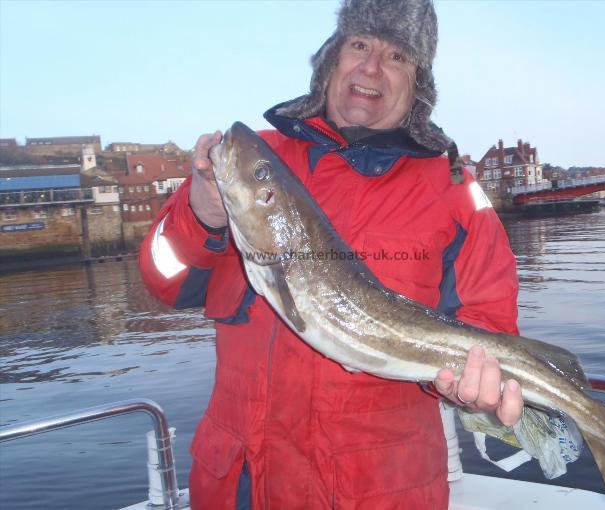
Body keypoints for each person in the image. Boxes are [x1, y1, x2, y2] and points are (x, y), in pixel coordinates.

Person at [139, 1, 523, 508]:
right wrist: (202, 213)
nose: (371, 68)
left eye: (398, 56)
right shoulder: (259, 167)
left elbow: (490, 324)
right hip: (244, 482)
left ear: (418, 84)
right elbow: (166, 280)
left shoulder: (454, 192)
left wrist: (471, 388)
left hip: (380, 489)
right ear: (330, 60)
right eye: (359, 45)